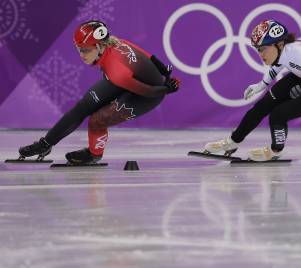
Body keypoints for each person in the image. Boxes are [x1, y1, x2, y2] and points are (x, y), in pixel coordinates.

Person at [18, 20, 180, 164]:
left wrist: (166, 88)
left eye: (86, 50)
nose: (82, 55)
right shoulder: (117, 43)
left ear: (100, 46)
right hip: (133, 79)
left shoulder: (117, 71)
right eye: (79, 49)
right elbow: (151, 57)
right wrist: (165, 72)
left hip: (148, 95)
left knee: (97, 120)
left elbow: (149, 91)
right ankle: (45, 145)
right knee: (83, 107)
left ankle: (93, 154)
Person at [202, 19, 301, 162]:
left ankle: (275, 151)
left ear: (279, 44)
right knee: (262, 106)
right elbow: (278, 65)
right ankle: (233, 141)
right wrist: (261, 85)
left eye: (263, 49)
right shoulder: (285, 51)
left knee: (279, 114)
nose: (260, 54)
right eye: (258, 49)